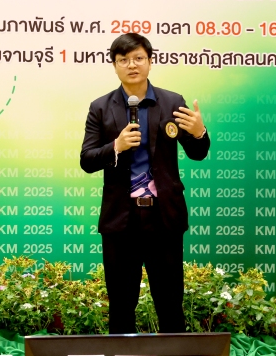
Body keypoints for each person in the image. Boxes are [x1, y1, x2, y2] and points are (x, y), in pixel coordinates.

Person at [79, 33, 210, 334]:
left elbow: (198, 153)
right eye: (123, 60)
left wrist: (200, 133)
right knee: (121, 304)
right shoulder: (101, 107)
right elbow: (87, 160)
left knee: (170, 302)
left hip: (163, 217)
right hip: (121, 219)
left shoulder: (172, 101)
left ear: (150, 61)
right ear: (114, 65)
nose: (132, 65)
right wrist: (116, 146)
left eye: (138, 58)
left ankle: (173, 353)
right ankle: (121, 354)